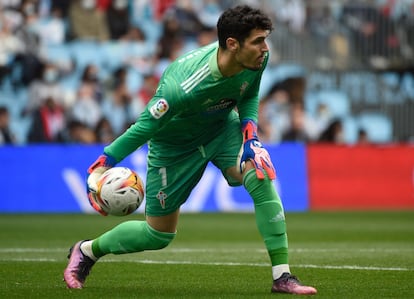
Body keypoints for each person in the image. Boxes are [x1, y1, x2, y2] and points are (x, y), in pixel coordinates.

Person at [63, 5, 317, 295]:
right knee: (157, 235)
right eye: (258, 41)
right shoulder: (182, 86)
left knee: (260, 173)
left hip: (221, 131)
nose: (265, 48)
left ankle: (282, 277)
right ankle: (86, 251)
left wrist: (250, 134)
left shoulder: (258, 58)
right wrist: (104, 161)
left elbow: (249, 92)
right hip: (174, 149)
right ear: (233, 44)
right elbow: (145, 126)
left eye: (265, 39)